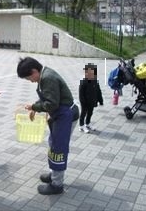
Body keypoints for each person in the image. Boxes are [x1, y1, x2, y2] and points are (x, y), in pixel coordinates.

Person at [17, 57, 79, 195]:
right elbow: (47, 97)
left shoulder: (47, 78)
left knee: (58, 148)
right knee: (53, 143)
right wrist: (35, 107)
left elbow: (51, 104)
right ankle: (54, 174)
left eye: (29, 78)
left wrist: (35, 106)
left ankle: (57, 184)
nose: (30, 81)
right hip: (60, 114)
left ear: (34, 71)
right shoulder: (44, 74)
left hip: (65, 115)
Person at [79, 63, 103, 133]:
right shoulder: (84, 81)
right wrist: (83, 101)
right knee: (83, 113)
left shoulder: (95, 80)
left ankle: (87, 124)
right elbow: (81, 93)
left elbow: (98, 91)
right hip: (85, 102)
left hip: (92, 101)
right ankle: (81, 125)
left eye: (93, 71)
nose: (91, 73)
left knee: (90, 113)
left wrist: (101, 100)